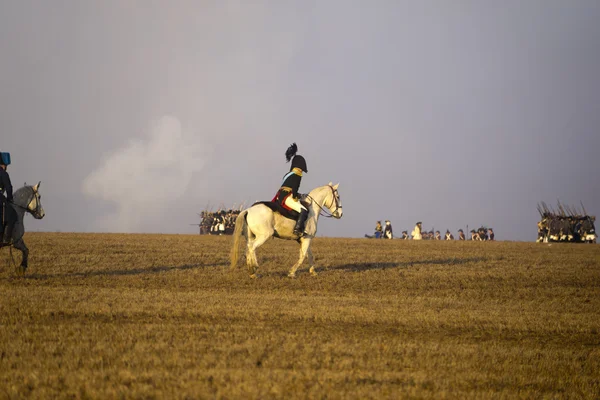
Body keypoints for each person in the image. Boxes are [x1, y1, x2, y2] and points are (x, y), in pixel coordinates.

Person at [272, 143, 309, 236]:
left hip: (280, 195)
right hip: (286, 196)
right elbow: (294, 189)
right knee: (304, 210)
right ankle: (297, 230)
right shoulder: (297, 174)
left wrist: (299, 195)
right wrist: (297, 196)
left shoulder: (288, 174)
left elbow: (289, 187)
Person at [0, 152, 14, 246]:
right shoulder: (3, 173)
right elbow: (9, 188)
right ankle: (4, 238)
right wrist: (9, 199)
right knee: (9, 215)